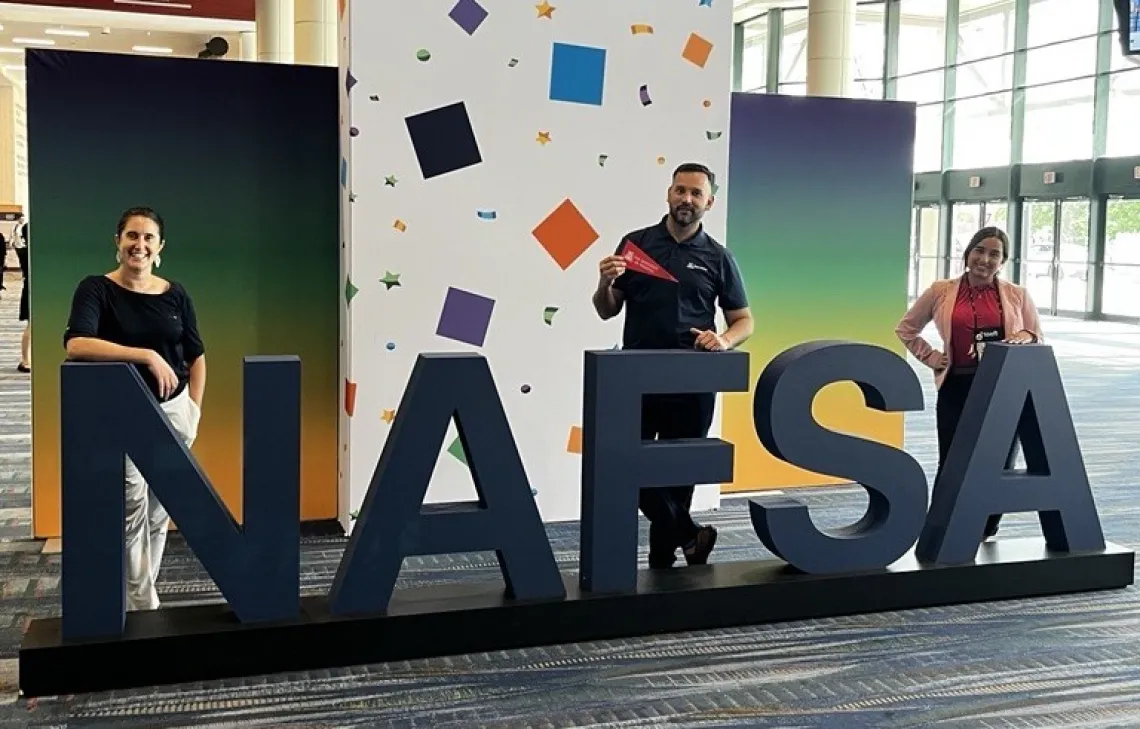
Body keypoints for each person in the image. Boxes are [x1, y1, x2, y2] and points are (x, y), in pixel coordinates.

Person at [592, 162, 754, 569]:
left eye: (696, 194)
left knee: (679, 477)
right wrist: (603, 284)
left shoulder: (719, 257)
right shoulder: (636, 243)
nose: (687, 199)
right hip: (636, 378)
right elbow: (607, 311)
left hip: (693, 379)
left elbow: (744, 321)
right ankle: (688, 535)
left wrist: (723, 340)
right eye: (681, 190)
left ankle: (661, 562)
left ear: (709, 202)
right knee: (629, 466)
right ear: (669, 193)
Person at [63, 206, 206, 610]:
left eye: (147, 238)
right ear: (118, 242)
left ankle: (140, 594)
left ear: (159, 246)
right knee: (132, 508)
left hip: (176, 413)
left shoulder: (175, 293)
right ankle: (144, 604)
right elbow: (77, 344)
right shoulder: (96, 289)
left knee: (161, 512)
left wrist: (194, 409)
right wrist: (144, 355)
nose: (138, 245)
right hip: (125, 417)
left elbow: (196, 356)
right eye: (131, 236)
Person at [895, 226, 1041, 539]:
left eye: (994, 254)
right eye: (979, 250)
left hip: (1003, 388)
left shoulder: (1017, 295)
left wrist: (1024, 336)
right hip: (957, 387)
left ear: (1002, 261)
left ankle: (987, 527)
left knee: (999, 459)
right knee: (952, 459)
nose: (985, 259)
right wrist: (932, 357)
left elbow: (1036, 335)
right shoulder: (940, 291)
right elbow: (906, 329)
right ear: (968, 252)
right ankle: (942, 526)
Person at [14, 215, 28, 372]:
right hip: (30, 290)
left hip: (27, 288)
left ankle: (25, 359)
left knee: (30, 326)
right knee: (31, 326)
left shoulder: (23, 252)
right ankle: (25, 360)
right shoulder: (29, 254)